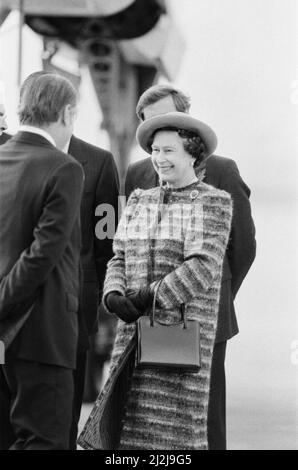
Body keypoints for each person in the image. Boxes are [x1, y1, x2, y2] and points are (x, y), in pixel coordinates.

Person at [78, 111, 233, 450]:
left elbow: (202, 266)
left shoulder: (211, 202)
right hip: (131, 339)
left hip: (177, 343)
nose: (159, 159)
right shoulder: (139, 200)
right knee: (124, 438)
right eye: (155, 150)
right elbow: (119, 255)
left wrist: (150, 295)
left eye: (169, 151)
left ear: (193, 153)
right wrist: (113, 295)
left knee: (173, 442)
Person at [125, 84, 256, 450]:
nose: (161, 130)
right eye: (152, 125)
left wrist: (211, 295)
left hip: (204, 322)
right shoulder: (137, 175)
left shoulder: (223, 171)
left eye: (171, 122)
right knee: (152, 424)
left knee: (204, 421)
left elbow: (242, 248)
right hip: (149, 317)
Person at [18, 71, 120, 449]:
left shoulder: (98, 163)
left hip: (74, 314)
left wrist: (97, 307)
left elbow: (105, 245)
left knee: (66, 412)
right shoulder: (12, 157)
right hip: (18, 314)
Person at [0, 73, 84, 450]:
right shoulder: (64, 168)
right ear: (67, 112)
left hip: (6, 334)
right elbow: (42, 254)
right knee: (45, 441)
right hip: (42, 332)